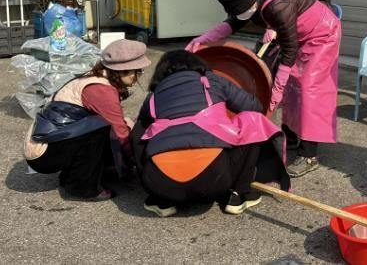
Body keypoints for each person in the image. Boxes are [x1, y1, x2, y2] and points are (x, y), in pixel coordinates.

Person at [186, 0, 341, 178]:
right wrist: (204, 39)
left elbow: (289, 50)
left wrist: (276, 88)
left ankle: (309, 154)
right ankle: (292, 136)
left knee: (308, 89)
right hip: (296, 33)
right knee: (292, 86)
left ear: (251, 0)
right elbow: (234, 22)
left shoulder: (278, 5)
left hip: (321, 32)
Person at [130, 50, 289, 217]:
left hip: (162, 186)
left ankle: (160, 201)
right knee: (251, 120)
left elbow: (141, 128)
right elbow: (254, 106)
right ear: (197, 65)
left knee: (139, 129)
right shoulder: (212, 80)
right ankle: (238, 195)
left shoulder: (153, 97)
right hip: (214, 181)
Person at [24, 39, 149, 201]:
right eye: (137, 71)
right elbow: (121, 133)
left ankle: (72, 176)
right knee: (100, 127)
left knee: (101, 126)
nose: (138, 76)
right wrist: (135, 161)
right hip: (43, 154)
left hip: (50, 143)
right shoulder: (101, 90)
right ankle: (82, 188)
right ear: (122, 70)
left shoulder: (94, 77)